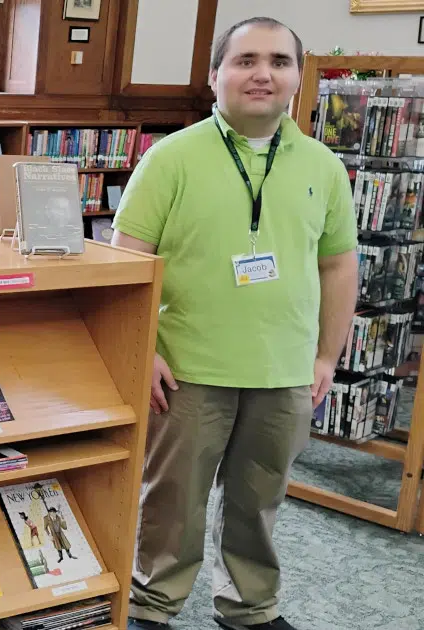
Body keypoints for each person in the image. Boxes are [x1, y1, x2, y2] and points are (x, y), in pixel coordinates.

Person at [111, 17, 358, 630]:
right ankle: (152, 603)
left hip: (284, 369)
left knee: (261, 500)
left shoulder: (324, 166)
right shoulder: (170, 159)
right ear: (214, 74)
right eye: (246, 59)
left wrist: (327, 356)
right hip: (189, 369)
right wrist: (140, 352)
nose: (262, 73)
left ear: (298, 79)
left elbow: (337, 266)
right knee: (172, 503)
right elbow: (125, 264)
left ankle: (250, 608)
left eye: (279, 61)